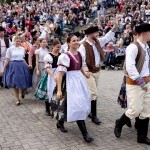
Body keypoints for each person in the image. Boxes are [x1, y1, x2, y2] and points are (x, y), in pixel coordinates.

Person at [114, 23, 150, 145]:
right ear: (144, 33)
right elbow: (130, 67)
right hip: (135, 84)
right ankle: (119, 122)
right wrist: (141, 82)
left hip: (147, 82)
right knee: (135, 110)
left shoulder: (146, 47)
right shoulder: (133, 47)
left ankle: (142, 137)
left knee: (146, 110)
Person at [56, 34, 94, 143]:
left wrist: (85, 73)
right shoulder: (65, 56)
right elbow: (60, 74)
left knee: (69, 104)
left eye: (77, 40)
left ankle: (60, 122)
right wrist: (59, 90)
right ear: (68, 43)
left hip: (79, 80)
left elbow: (80, 66)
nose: (76, 42)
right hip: (70, 82)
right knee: (76, 105)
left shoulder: (80, 54)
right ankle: (85, 134)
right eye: (73, 41)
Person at [78, 23, 118, 125]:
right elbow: (81, 60)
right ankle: (94, 116)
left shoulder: (97, 42)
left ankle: (90, 111)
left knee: (91, 93)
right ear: (91, 34)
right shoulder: (83, 45)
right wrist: (86, 72)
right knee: (94, 93)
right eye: (95, 32)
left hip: (97, 70)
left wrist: (113, 28)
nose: (97, 34)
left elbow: (107, 37)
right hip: (89, 71)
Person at [0, 36, 32, 105]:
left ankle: (23, 91)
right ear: (14, 41)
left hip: (22, 66)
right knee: (15, 83)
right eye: (17, 41)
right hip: (13, 66)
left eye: (19, 41)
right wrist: (3, 68)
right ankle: (17, 99)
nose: (18, 42)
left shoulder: (22, 49)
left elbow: (23, 59)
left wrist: (27, 65)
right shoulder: (10, 49)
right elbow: (7, 59)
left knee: (23, 81)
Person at [44, 39, 61, 116]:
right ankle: (47, 109)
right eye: (57, 47)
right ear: (52, 46)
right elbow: (47, 68)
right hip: (52, 74)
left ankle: (56, 108)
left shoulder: (61, 55)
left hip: (60, 74)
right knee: (50, 90)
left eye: (59, 47)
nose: (58, 49)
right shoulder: (48, 56)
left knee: (59, 90)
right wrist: (53, 76)